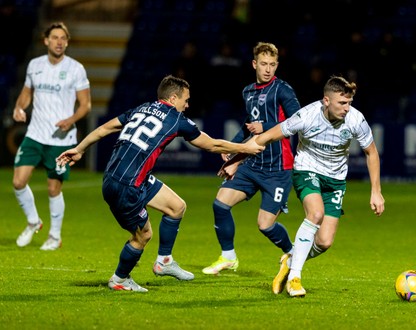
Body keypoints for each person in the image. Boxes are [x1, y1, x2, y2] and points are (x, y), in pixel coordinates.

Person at [56, 75, 265, 292]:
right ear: (173, 98)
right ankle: (119, 279)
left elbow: (103, 129)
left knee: (177, 207)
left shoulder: (142, 108)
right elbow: (212, 145)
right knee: (143, 236)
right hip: (127, 186)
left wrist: (79, 149)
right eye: (185, 99)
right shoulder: (175, 119)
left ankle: (164, 261)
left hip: (120, 177)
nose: (187, 104)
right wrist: (245, 148)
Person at [239, 75, 385, 297]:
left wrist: (376, 191)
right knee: (315, 214)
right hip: (307, 170)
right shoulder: (306, 116)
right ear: (326, 101)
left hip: (335, 180)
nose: (347, 108)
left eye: (349, 103)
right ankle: (295, 278)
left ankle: (290, 260)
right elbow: (268, 136)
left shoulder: (356, 119)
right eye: (342, 103)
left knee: (325, 242)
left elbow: (371, 152)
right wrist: (237, 158)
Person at [202, 42, 301, 285]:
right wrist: (231, 152)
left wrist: (266, 127)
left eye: (272, 65)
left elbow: (299, 120)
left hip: (278, 168)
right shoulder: (248, 91)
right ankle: (228, 257)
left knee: (265, 225)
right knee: (220, 204)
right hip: (253, 164)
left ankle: (293, 254)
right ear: (254, 64)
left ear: (277, 65)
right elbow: (249, 125)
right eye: (263, 64)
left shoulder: (282, 90)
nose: (268, 69)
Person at [12, 22, 91, 250]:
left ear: (67, 42)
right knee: (18, 182)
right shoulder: (35, 65)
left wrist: (71, 120)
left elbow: (85, 105)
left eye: (63, 38)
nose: (59, 42)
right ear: (46, 40)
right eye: (55, 37)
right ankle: (33, 221)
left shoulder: (76, 69)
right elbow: (26, 93)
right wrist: (19, 107)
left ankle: (55, 236)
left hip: (60, 139)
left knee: (53, 189)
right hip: (35, 134)